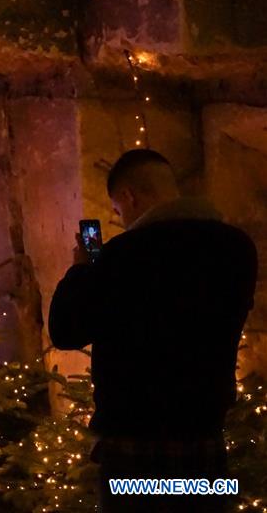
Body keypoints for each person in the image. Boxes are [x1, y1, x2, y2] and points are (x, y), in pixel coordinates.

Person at [49, 149, 258, 513]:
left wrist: (83, 269)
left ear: (129, 196)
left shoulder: (122, 256)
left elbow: (66, 330)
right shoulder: (238, 248)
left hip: (135, 441)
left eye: (118, 209)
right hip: (203, 433)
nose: (122, 218)